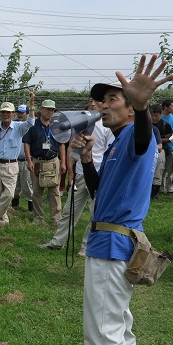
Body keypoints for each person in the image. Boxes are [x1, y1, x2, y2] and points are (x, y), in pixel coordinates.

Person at [73, 54, 172, 345]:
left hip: (112, 246)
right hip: (113, 242)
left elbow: (147, 134)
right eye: (101, 100)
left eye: (112, 99)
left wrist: (144, 107)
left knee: (103, 334)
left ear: (132, 109)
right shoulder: (117, 144)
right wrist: (86, 162)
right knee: (119, 327)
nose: (102, 106)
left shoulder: (136, 134)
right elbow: (102, 194)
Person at [38, 97, 114, 253]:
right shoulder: (81, 123)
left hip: (99, 175)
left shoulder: (107, 126)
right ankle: (57, 242)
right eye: (91, 100)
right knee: (70, 210)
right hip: (81, 173)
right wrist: (71, 170)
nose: (93, 103)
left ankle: (86, 247)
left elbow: (110, 152)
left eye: (97, 101)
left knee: (96, 213)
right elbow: (73, 147)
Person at [0, 101, 35, 224]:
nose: (5, 114)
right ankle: (3, 219)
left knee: (9, 194)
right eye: (3, 112)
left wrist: (31, 104)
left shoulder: (19, 127)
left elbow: (31, 122)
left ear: (13, 114)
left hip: (11, 165)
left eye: (8, 112)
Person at [23, 99, 66, 225]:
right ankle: (38, 216)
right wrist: (29, 160)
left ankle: (56, 218)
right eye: (47, 109)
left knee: (54, 191)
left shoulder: (57, 126)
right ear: (41, 109)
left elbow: (62, 144)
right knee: (37, 191)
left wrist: (63, 162)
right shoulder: (33, 125)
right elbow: (27, 143)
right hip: (37, 161)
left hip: (53, 160)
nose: (50, 112)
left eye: (52, 110)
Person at [13, 103, 34, 212]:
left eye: (22, 113)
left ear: (27, 113)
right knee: (15, 184)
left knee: (27, 184)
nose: (20, 115)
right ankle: (14, 206)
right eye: (19, 113)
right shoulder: (14, 124)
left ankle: (31, 208)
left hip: (26, 159)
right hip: (15, 160)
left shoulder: (30, 126)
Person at [150, 104, 172, 199]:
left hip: (161, 150)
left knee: (159, 170)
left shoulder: (165, 124)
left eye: (156, 115)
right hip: (148, 150)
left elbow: (169, 138)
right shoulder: (146, 124)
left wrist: (158, 140)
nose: (154, 117)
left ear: (160, 114)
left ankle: (155, 193)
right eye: (152, 115)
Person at [160, 98, 173, 194]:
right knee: (161, 167)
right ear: (165, 107)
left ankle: (170, 188)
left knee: (170, 169)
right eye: (172, 106)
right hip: (161, 147)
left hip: (172, 147)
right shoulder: (159, 117)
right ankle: (160, 187)